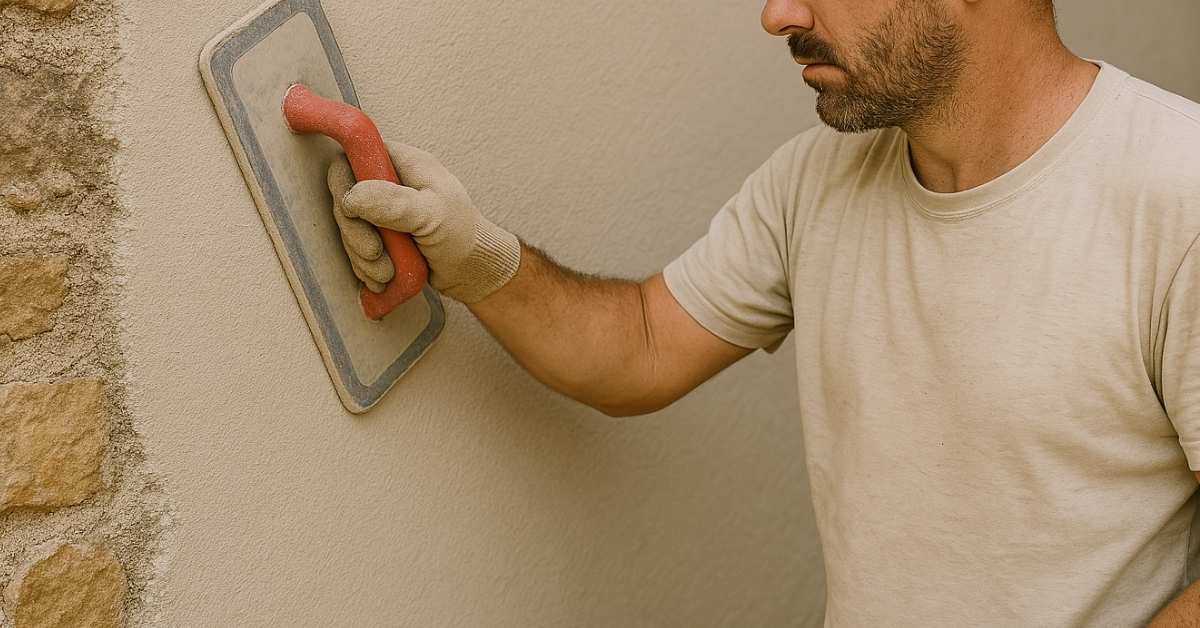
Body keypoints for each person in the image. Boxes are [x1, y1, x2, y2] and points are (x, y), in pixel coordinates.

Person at [324, 1, 1200, 625]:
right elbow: (639, 347)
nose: (777, 15)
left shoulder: (1178, 194)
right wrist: (475, 259)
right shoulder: (814, 181)